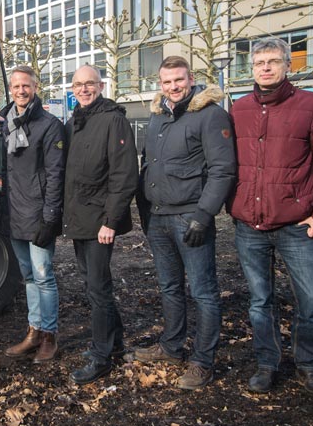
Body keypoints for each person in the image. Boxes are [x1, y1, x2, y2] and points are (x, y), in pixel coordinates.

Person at [229, 37, 313, 395]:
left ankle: (308, 364)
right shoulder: (238, 109)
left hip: (297, 224)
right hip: (250, 223)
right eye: (259, 62)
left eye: (273, 61)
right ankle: (267, 363)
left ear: (288, 66)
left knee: (309, 298)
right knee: (259, 301)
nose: (265, 68)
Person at [134, 56, 236, 390]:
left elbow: (223, 169)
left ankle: (203, 361)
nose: (173, 87)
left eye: (179, 80)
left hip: (190, 216)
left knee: (204, 291)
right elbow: (150, 164)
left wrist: (203, 215)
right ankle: (172, 346)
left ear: (191, 79)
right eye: (167, 82)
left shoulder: (210, 115)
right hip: (159, 217)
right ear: (159, 83)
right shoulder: (158, 116)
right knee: (169, 287)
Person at [63, 65, 138, 385]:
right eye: (78, 85)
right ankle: (115, 343)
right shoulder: (75, 121)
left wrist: (111, 221)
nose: (83, 89)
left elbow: (124, 174)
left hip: (99, 221)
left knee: (98, 288)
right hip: (80, 217)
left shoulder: (113, 119)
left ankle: (101, 356)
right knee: (93, 284)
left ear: (101, 85)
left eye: (89, 84)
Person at [0, 65, 65, 363]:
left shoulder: (49, 125)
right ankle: (34, 331)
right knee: (27, 276)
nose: (21, 91)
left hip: (39, 212)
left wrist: (50, 216)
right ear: (10, 89)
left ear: (35, 88)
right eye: (16, 87)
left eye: (26, 86)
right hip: (15, 212)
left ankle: (49, 335)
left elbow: (55, 173)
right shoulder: (6, 121)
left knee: (43, 276)